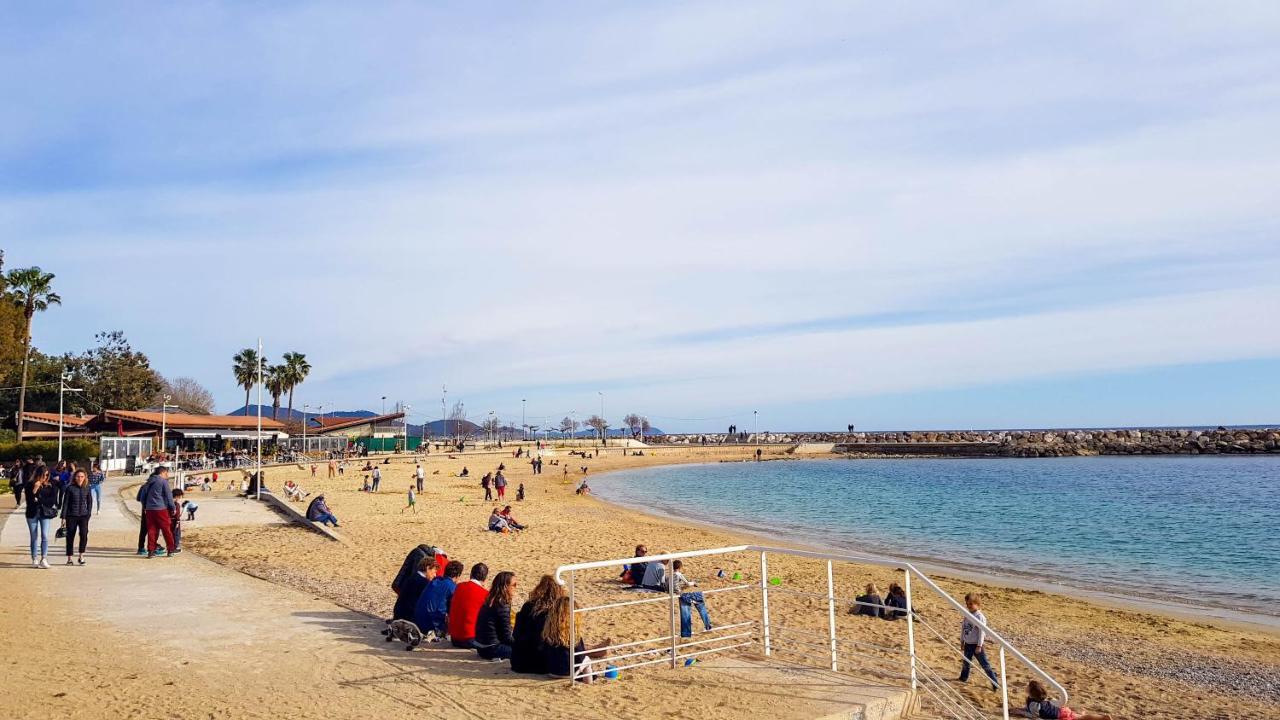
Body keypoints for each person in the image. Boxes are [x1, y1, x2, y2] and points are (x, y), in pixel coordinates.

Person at [540, 597, 610, 681]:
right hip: (569, 673)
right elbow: (580, 657)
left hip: (551, 671)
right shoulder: (573, 634)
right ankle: (589, 683)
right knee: (587, 660)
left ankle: (598, 650)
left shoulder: (547, 632)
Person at [511, 574, 565, 674]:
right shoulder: (553, 611)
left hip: (518, 662)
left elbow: (516, 634)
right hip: (540, 664)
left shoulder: (527, 606)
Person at [957, 592, 999, 691]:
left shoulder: (980, 617)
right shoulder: (967, 614)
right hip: (967, 643)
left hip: (976, 645)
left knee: (985, 664)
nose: (969, 606)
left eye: (971, 604)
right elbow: (963, 628)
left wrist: (979, 645)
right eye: (967, 604)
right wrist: (962, 641)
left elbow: (982, 632)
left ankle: (994, 682)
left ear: (977, 604)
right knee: (966, 663)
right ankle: (963, 677)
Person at [415, 560, 464, 641]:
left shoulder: (435, 580)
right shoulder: (452, 587)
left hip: (417, 620)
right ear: (458, 575)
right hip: (432, 625)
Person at [473, 571, 516, 660]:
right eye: (514, 585)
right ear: (505, 586)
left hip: (481, 647)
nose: (515, 588)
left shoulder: (490, 600)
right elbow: (506, 637)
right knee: (525, 652)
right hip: (492, 648)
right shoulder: (502, 604)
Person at [138, 466, 177, 559]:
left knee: (152, 530)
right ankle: (170, 549)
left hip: (149, 509)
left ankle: (151, 551)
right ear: (162, 473)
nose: (167, 475)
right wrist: (173, 507)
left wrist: (145, 506)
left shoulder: (148, 482)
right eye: (166, 473)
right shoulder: (163, 482)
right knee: (166, 529)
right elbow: (168, 496)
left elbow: (142, 496)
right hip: (161, 508)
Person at [448, 563, 489, 648]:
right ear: (485, 578)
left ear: (471, 575)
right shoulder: (484, 593)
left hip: (454, 638)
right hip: (469, 639)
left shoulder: (459, 586)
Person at [1024, 680, 1112, 720]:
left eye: (1028, 687)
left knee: (1082, 717)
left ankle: (1104, 717)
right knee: (1080, 716)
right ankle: (1099, 717)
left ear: (1032, 692)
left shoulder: (1034, 704)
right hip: (1060, 711)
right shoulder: (1034, 700)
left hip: (1061, 715)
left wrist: (1020, 712)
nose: (1026, 687)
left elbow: (1034, 716)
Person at [24, 467, 58, 568]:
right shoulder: (30, 484)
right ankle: (34, 558)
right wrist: (34, 489)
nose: (46, 477)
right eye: (44, 475)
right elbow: (29, 501)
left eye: (47, 475)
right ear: (38, 475)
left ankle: (44, 558)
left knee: (45, 536)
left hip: (45, 513)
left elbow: (52, 501)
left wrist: (38, 500)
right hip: (32, 513)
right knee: (34, 536)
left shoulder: (50, 485)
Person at [670, 560, 713, 637]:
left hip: (682, 594)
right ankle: (708, 626)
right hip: (688, 593)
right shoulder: (679, 574)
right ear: (680, 567)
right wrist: (693, 583)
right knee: (701, 609)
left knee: (685, 613)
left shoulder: (671, 575)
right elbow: (687, 583)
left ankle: (686, 632)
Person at [392, 556, 436, 622]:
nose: (435, 575)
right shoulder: (425, 583)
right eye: (434, 571)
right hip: (409, 618)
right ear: (428, 568)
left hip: (398, 614)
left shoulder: (412, 577)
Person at [169, 489, 185, 554]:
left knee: (170, 534)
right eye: (180, 496)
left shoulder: (168, 503)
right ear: (177, 496)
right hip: (175, 521)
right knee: (176, 534)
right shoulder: (176, 504)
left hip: (168, 520)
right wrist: (178, 521)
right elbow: (177, 515)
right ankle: (175, 547)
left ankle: (170, 547)